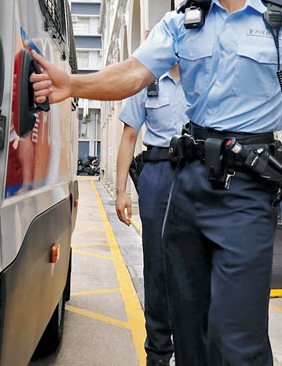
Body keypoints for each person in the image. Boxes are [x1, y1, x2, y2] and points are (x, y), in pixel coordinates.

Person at [31, 0, 282, 365]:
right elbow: (134, 73)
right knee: (189, 328)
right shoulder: (184, 22)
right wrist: (75, 84)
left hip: (246, 192)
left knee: (237, 338)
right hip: (187, 187)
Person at [115, 63, 188, 366]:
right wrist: (122, 191)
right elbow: (129, 136)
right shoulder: (146, 80)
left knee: (193, 267)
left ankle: (191, 352)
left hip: (196, 172)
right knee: (157, 267)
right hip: (157, 175)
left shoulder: (204, 72)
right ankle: (157, 355)